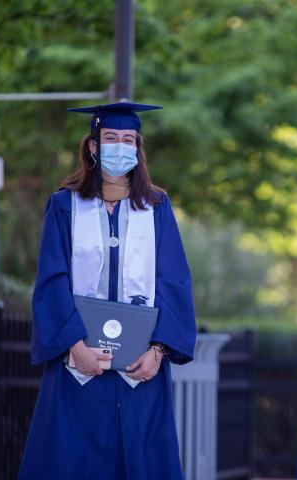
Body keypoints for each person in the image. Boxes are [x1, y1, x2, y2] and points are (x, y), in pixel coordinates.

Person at [19, 101, 197, 479]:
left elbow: (174, 281)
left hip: (140, 370)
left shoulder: (157, 208)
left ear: (137, 148)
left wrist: (158, 350)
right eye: (111, 138)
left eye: (128, 139)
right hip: (79, 367)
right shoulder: (65, 206)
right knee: (72, 460)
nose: (120, 146)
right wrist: (74, 346)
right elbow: (52, 280)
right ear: (93, 146)